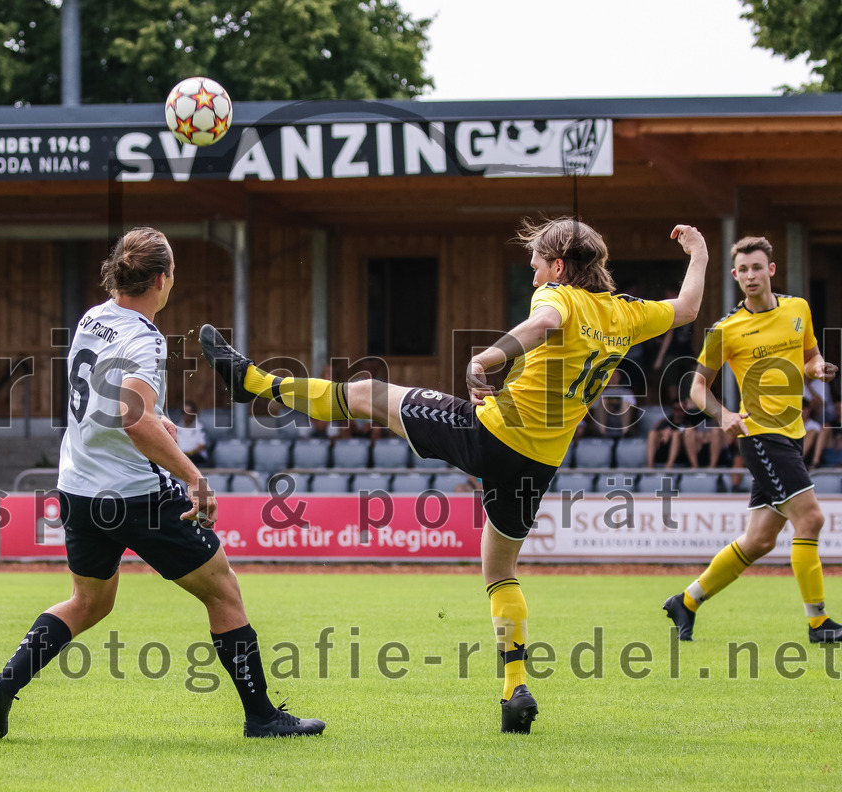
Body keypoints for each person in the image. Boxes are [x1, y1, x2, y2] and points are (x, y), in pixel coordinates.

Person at [200, 217, 709, 734]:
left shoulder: (559, 295)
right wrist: (700, 252)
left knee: (367, 395)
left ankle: (254, 383)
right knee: (500, 570)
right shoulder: (625, 314)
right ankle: (514, 689)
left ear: (558, 266)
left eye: (535, 264)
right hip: (538, 464)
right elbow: (688, 307)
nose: (532, 275)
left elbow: (543, 324)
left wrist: (486, 357)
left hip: (488, 434)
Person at [0, 227, 324, 740]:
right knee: (223, 591)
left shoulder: (92, 318)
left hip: (79, 487)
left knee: (89, 602)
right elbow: (131, 419)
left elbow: (108, 405)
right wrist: (194, 475)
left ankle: (3, 686)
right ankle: (262, 717)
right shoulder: (144, 338)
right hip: (136, 493)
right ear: (162, 279)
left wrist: (153, 420)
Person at [664, 235, 840, 643]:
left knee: (759, 539)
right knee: (811, 518)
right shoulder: (726, 329)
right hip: (759, 435)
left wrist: (817, 369)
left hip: (791, 435)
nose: (750, 276)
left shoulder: (798, 309)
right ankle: (818, 623)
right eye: (743, 270)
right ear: (735, 276)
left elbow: (809, 356)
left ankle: (686, 601)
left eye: (757, 267)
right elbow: (695, 388)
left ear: (771, 270)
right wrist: (722, 414)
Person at [175, 400, 210, 466]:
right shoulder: (176, 427)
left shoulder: (201, 427)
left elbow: (201, 446)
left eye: (189, 412)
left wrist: (189, 453)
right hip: (180, 456)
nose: (186, 415)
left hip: (195, 456)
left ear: (194, 413)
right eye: (184, 412)